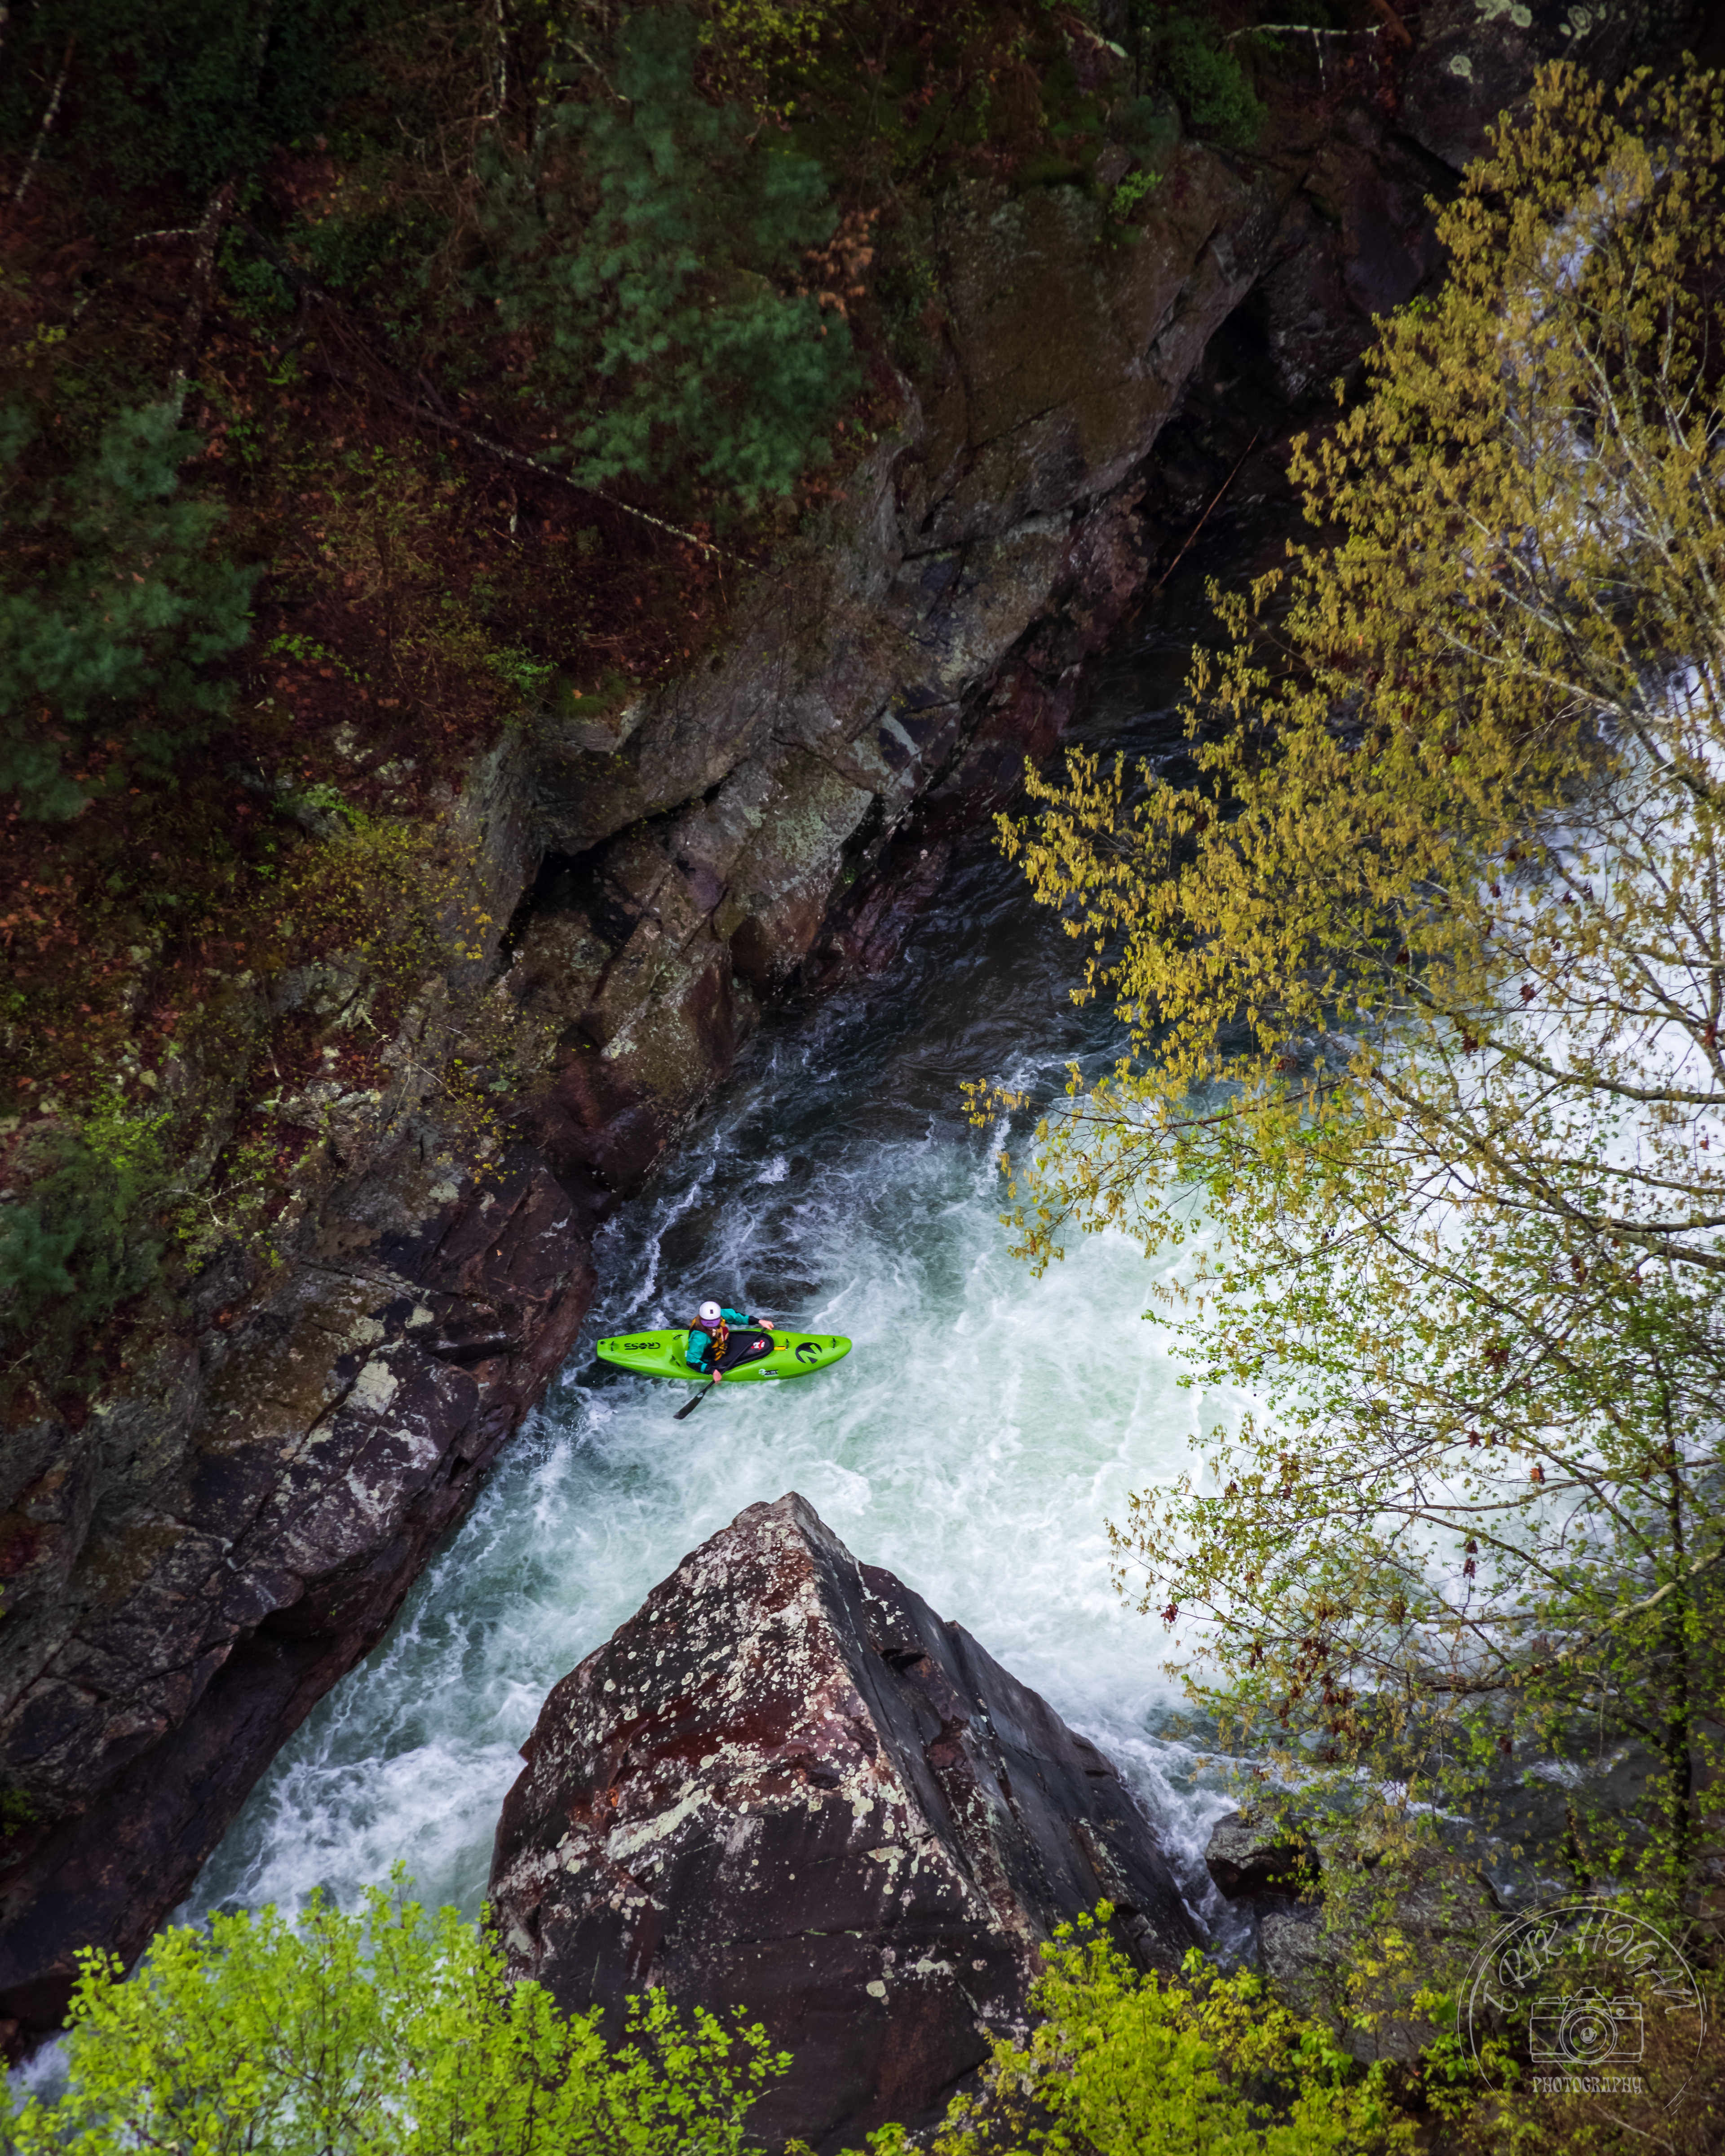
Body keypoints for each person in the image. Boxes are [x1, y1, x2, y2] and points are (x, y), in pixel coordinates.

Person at [686, 1300, 775, 1380]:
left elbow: (736, 1317)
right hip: (712, 1358)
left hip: (724, 1344)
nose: (711, 1326)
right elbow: (691, 1361)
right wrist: (712, 1371)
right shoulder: (700, 1337)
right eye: (707, 1323)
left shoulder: (719, 1314)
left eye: (714, 1323)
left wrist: (759, 1321)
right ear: (702, 1319)